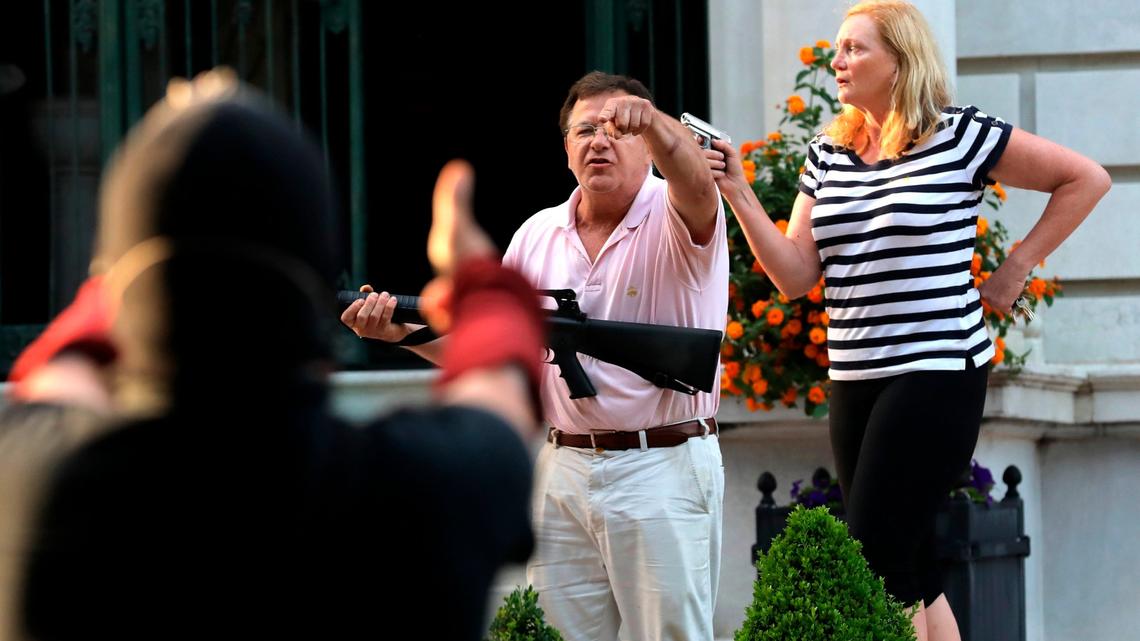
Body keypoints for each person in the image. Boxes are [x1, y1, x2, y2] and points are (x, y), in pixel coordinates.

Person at [10, 70, 546, 641]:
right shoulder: (415, 489)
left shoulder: (29, 477)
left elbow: (62, 363)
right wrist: (481, 283)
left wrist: (124, 271)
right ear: (316, 287)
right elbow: (502, 380)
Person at [704, 2, 1111, 640]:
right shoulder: (827, 154)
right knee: (911, 564)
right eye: (837, 50)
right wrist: (739, 191)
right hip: (855, 371)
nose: (836, 61)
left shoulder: (960, 135)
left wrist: (1016, 267)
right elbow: (795, 276)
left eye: (854, 49)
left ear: (901, 59)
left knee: (872, 560)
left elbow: (1086, 178)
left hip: (937, 368)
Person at [342, 71, 729, 641]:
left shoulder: (680, 212)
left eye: (619, 129)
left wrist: (660, 128)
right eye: (585, 130)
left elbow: (696, 184)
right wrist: (401, 333)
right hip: (562, 465)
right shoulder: (536, 233)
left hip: (662, 464)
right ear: (567, 149)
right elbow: (501, 354)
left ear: (650, 144)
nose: (600, 140)